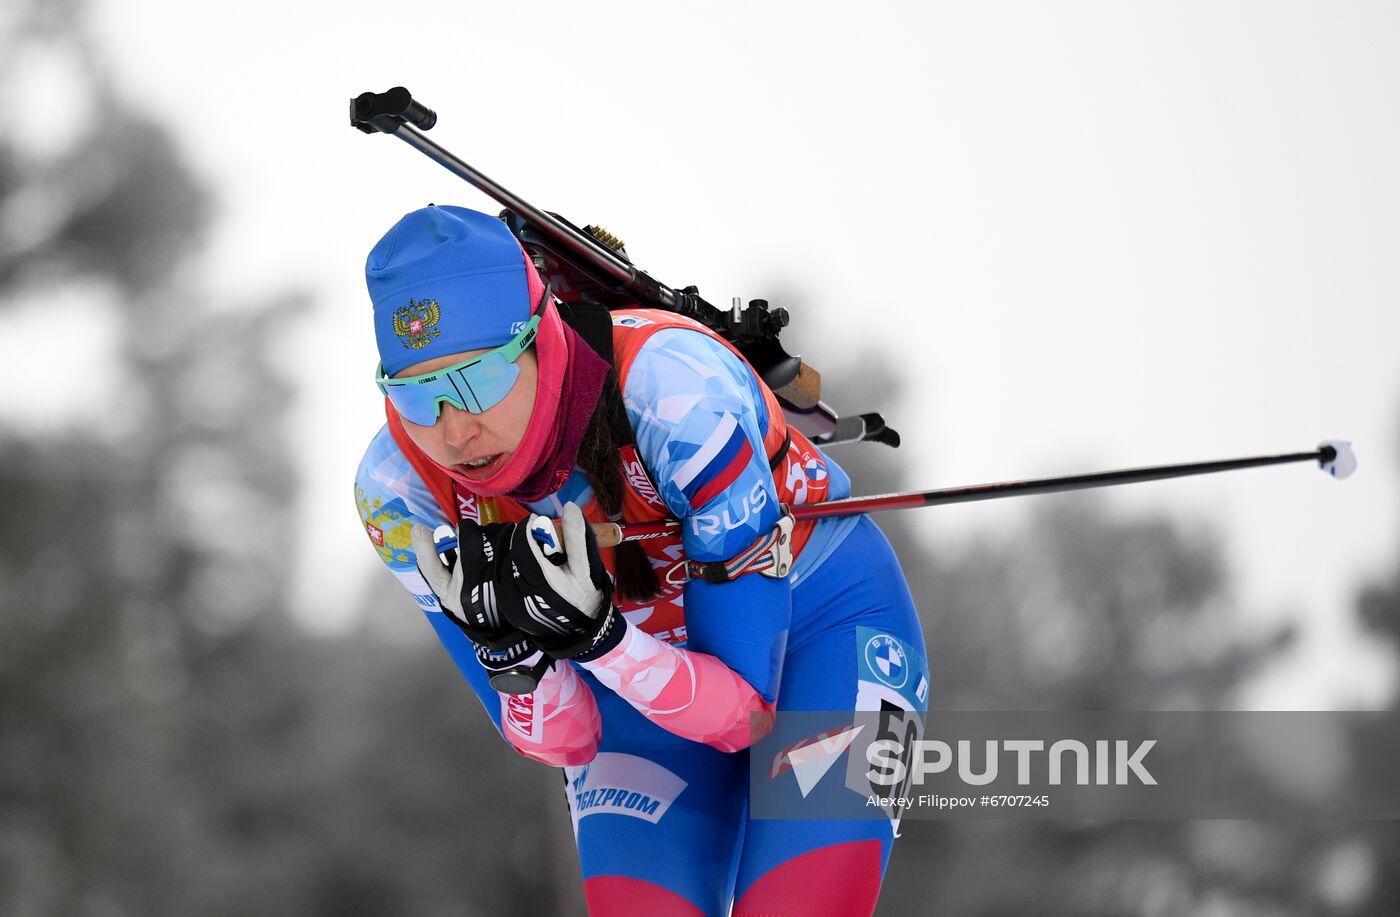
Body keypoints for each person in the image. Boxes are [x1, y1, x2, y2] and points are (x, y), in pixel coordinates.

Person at [353, 204, 927, 916]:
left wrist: (602, 642)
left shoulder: (677, 391)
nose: (454, 428)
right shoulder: (396, 492)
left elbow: (743, 713)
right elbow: (566, 741)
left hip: (828, 629)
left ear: (541, 336)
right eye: (416, 396)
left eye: (478, 381)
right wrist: (516, 663)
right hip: (639, 681)